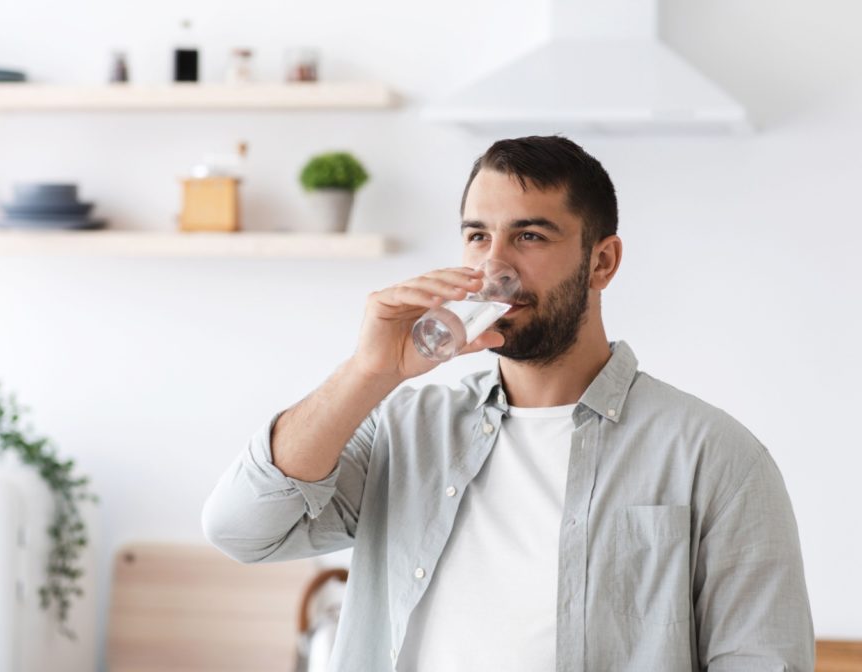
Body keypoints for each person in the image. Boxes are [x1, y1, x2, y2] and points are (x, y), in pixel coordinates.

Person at [202, 136, 814, 671]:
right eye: (477, 236)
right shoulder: (405, 428)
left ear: (602, 262)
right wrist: (368, 372)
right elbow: (241, 531)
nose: (495, 266)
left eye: (529, 235)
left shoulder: (717, 458)